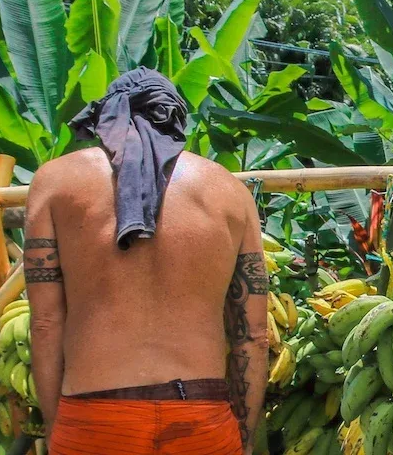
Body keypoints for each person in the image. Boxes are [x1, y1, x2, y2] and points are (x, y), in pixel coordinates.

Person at [24, 67, 268, 455]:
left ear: (105, 116)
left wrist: (59, 427)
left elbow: (45, 323)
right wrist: (245, 437)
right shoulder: (230, 191)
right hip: (201, 416)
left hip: (93, 417)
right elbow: (253, 336)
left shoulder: (54, 181)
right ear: (174, 116)